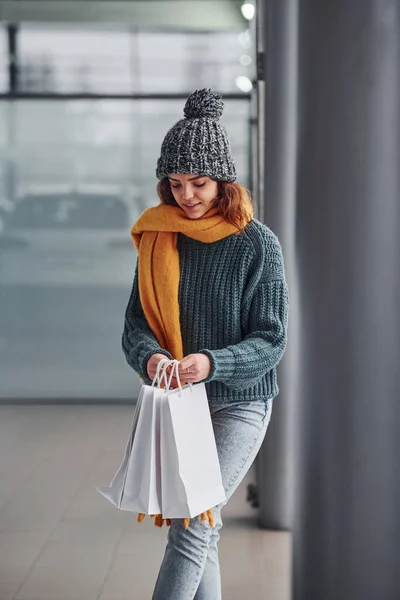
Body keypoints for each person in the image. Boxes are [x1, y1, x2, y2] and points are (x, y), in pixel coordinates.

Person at [122, 88, 289, 600]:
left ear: (223, 182)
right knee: (202, 532)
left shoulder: (256, 241)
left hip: (240, 403)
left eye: (199, 182)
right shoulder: (157, 237)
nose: (187, 196)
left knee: (194, 523)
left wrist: (210, 363)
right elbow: (135, 325)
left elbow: (271, 337)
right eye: (175, 184)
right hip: (179, 406)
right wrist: (150, 356)